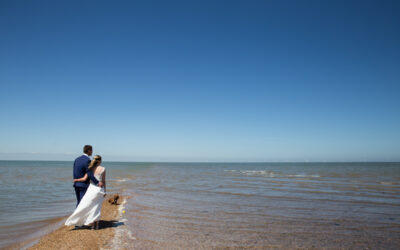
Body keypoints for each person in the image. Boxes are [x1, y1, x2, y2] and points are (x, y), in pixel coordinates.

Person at [65, 155, 106, 230]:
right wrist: (105, 190)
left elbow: (84, 179)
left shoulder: (90, 169)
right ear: (100, 161)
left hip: (91, 189)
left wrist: (76, 180)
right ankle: (95, 225)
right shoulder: (103, 169)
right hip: (99, 189)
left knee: (87, 205)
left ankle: (79, 220)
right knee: (96, 207)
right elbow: (103, 181)